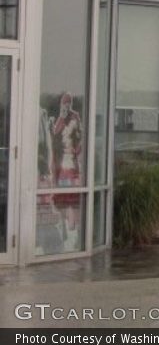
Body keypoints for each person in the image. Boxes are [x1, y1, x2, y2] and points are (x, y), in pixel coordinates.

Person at [51, 92, 82, 250]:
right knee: (62, 199)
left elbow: (80, 138)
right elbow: (55, 138)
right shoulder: (59, 120)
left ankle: (73, 231)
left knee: (72, 200)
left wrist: (76, 149)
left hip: (72, 165)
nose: (67, 106)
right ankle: (64, 227)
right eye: (64, 103)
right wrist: (61, 118)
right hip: (62, 167)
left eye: (69, 103)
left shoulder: (75, 117)